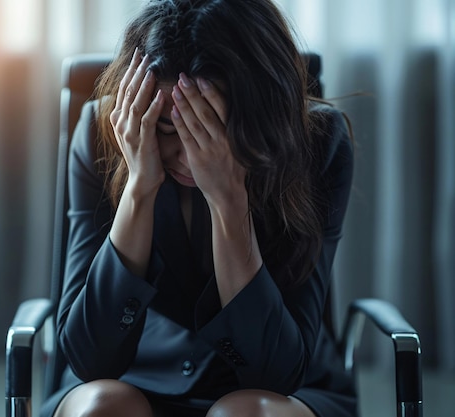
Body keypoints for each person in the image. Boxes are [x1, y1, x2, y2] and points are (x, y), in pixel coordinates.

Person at [41, 0, 356, 416]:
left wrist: (228, 201)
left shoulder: (319, 143)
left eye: (213, 131)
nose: (191, 157)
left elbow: (276, 375)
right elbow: (90, 359)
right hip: (137, 370)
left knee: (247, 413)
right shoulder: (106, 133)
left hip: (282, 385)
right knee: (103, 406)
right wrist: (139, 188)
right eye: (170, 128)